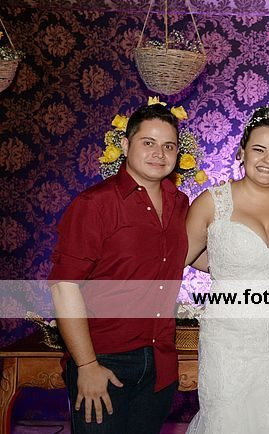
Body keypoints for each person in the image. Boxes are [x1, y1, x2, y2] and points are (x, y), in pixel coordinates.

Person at [49, 104, 189, 432]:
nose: (159, 153)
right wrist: (86, 365)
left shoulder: (180, 203)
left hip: (159, 364)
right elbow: (63, 287)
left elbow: (201, 254)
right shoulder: (95, 204)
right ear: (125, 145)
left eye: (168, 146)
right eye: (148, 142)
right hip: (104, 361)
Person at [185, 106, 269, 433]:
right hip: (230, 340)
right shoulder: (211, 201)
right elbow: (180, 257)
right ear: (242, 151)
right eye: (259, 149)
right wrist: (225, 268)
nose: (267, 160)